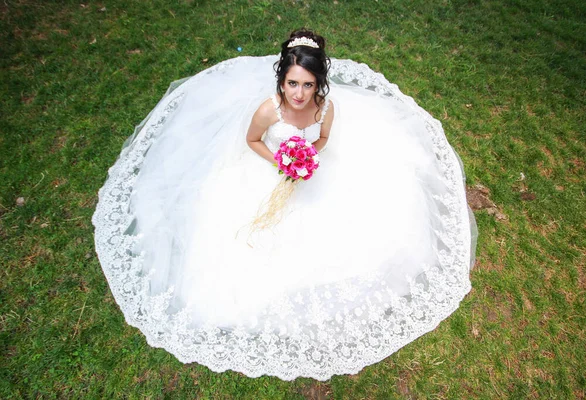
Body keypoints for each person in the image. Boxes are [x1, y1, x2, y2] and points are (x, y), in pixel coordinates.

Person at [93, 29, 477, 381]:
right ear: (282, 79)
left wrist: (308, 158)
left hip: (309, 170)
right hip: (268, 168)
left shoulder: (326, 109)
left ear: (318, 84)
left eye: (307, 85)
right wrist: (282, 162)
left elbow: (323, 139)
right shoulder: (268, 110)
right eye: (292, 83)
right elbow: (253, 141)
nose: (298, 94)